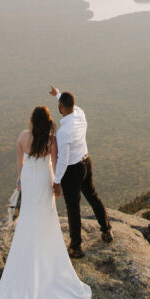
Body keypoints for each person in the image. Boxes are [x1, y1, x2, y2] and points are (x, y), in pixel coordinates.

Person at [0, 105, 91, 299]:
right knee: (46, 218)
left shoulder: (23, 137)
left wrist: (20, 182)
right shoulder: (51, 141)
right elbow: (54, 163)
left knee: (28, 219)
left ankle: (26, 258)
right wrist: (57, 186)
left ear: (32, 121)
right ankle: (46, 258)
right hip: (44, 178)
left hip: (29, 180)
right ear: (48, 121)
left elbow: (20, 163)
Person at [50, 84, 113, 258]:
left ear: (61, 108)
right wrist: (58, 94)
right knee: (93, 196)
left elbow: (63, 159)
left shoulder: (63, 132)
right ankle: (107, 230)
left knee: (73, 207)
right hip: (86, 161)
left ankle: (76, 247)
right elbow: (73, 106)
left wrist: (56, 181)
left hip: (72, 170)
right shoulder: (80, 114)